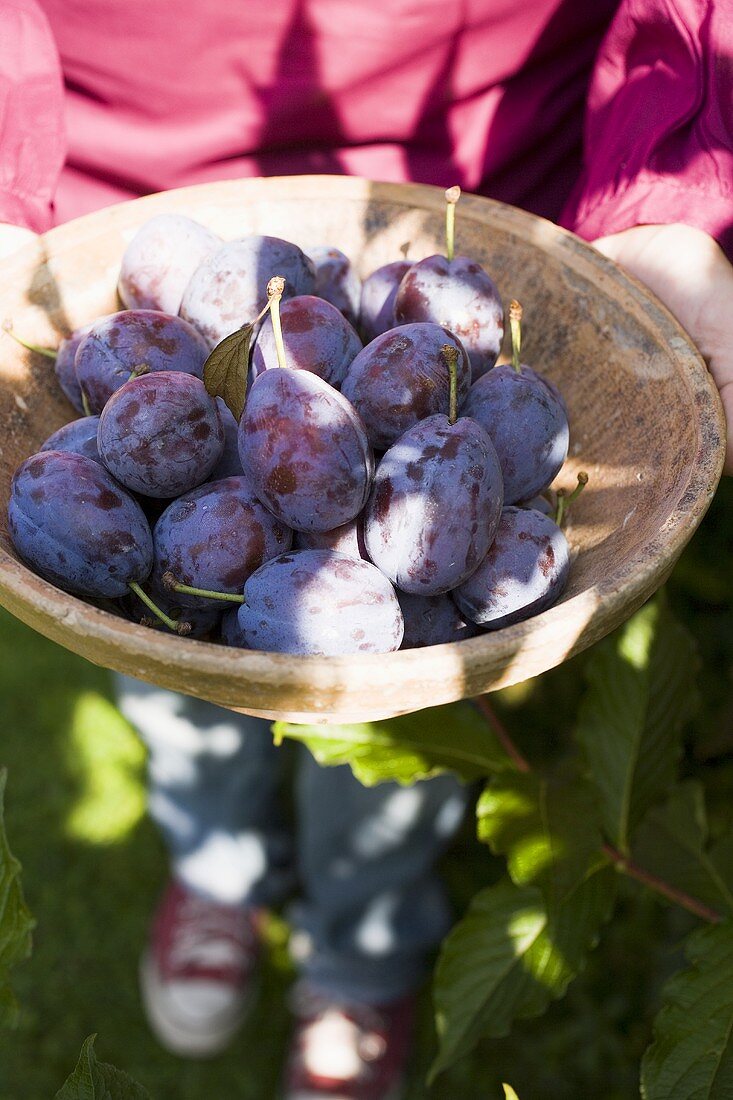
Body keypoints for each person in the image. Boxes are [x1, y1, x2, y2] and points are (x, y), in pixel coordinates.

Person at [1, 2, 732, 1097]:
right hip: (108, 190)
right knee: (173, 681)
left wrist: (667, 188)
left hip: (488, 178)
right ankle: (219, 868)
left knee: (402, 734)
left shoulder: (412, 435)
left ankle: (356, 956)